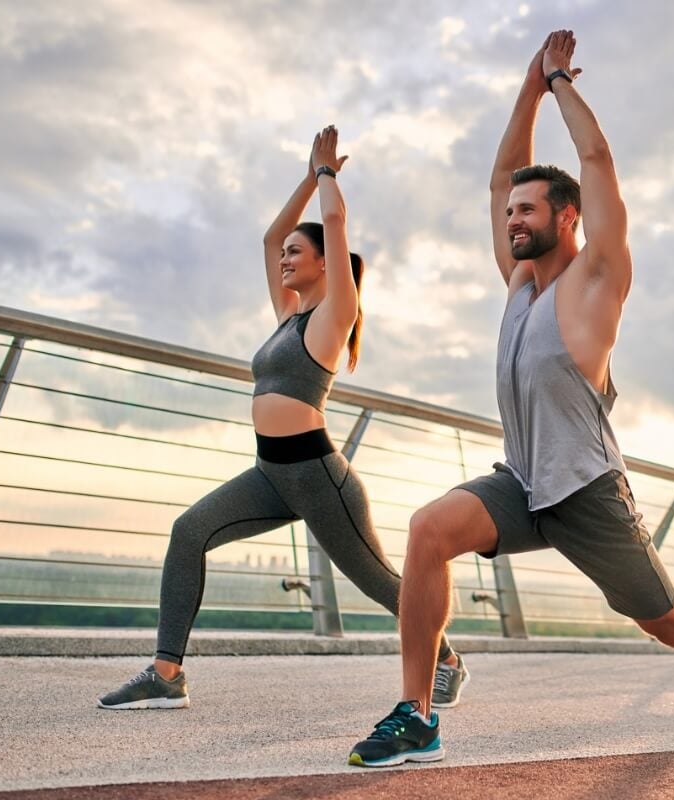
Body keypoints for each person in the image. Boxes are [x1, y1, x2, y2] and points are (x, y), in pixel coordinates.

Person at [348, 31, 674, 768]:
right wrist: (526, 87)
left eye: (528, 210)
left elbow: (598, 162)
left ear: (568, 218)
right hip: (522, 481)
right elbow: (497, 180)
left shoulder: (595, 284)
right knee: (428, 531)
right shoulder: (519, 284)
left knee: (666, 621)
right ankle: (417, 716)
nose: (513, 219)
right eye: (511, 211)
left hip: (586, 491)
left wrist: (559, 82)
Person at [98, 126, 467, 711]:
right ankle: (166, 673)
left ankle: (446, 659)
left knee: (379, 583)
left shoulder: (332, 315)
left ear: (326, 263)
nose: (287, 258)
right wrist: (305, 173)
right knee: (188, 531)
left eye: (300, 252)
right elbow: (271, 237)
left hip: (320, 478)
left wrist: (327, 176)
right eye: (289, 254)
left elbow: (337, 225)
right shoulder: (288, 316)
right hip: (270, 473)